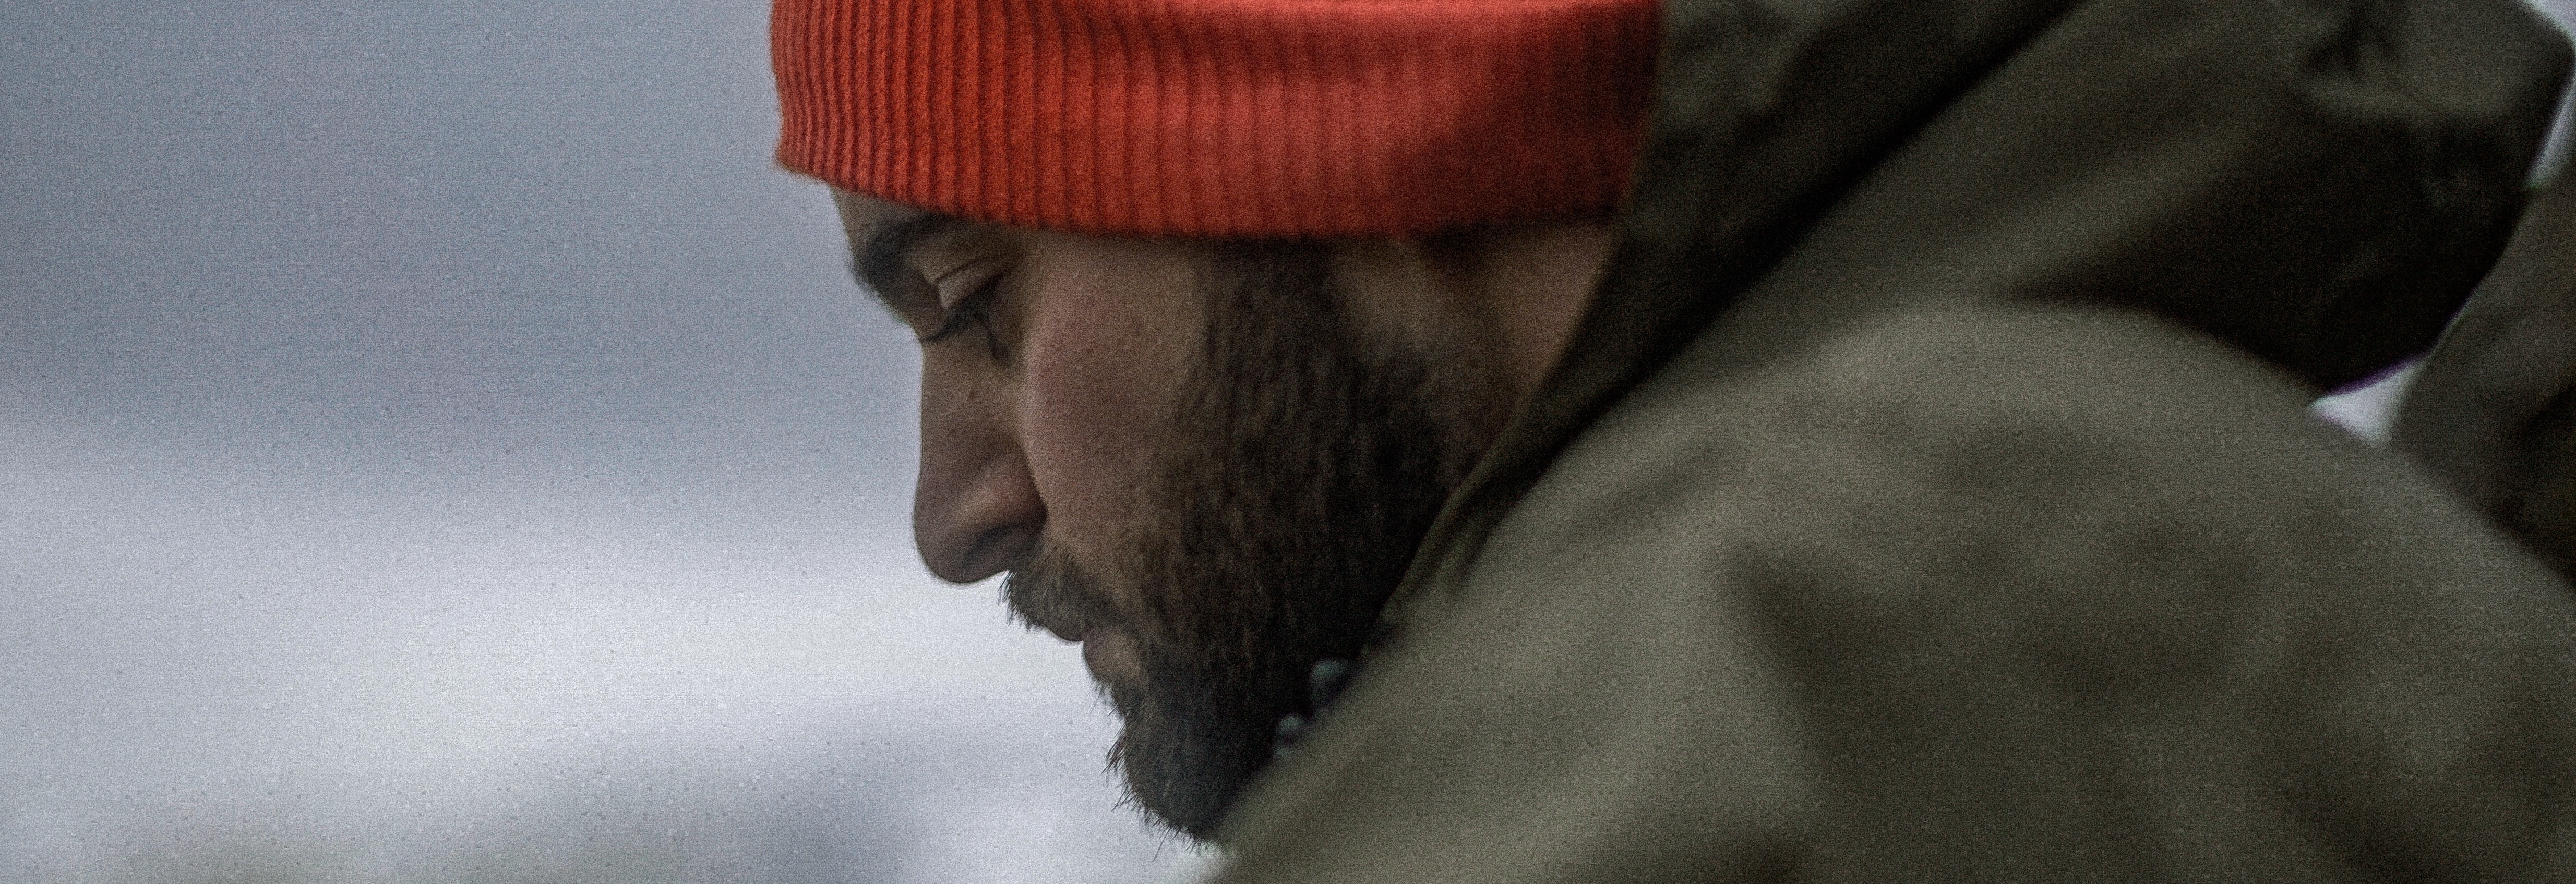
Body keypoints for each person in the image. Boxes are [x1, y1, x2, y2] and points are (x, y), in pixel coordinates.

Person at [774, 0, 2576, 879]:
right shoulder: (2138, 609)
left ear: (1343, 113)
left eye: (972, 304)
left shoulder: (1837, 654)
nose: (957, 514)